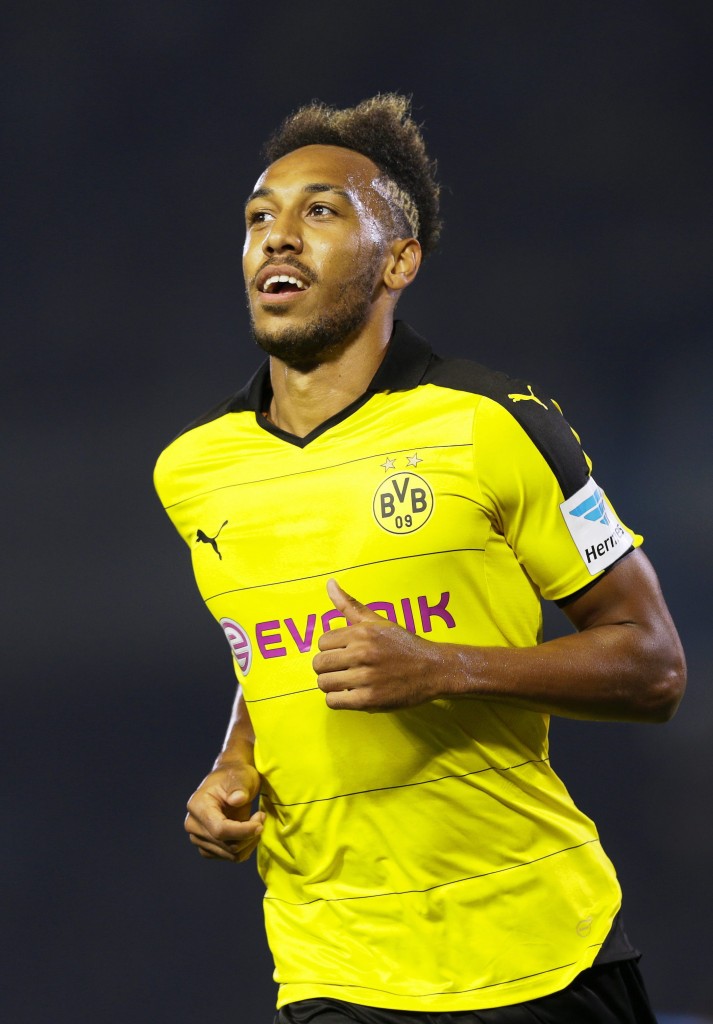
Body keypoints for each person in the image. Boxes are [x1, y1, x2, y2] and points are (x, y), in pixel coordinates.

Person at [154, 95, 686, 1023]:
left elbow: (654, 667)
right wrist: (232, 763)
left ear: (398, 261)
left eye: (321, 211)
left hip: (538, 953)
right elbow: (265, 648)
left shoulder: (495, 426)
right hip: (330, 963)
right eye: (258, 216)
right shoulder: (192, 470)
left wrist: (443, 668)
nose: (278, 235)